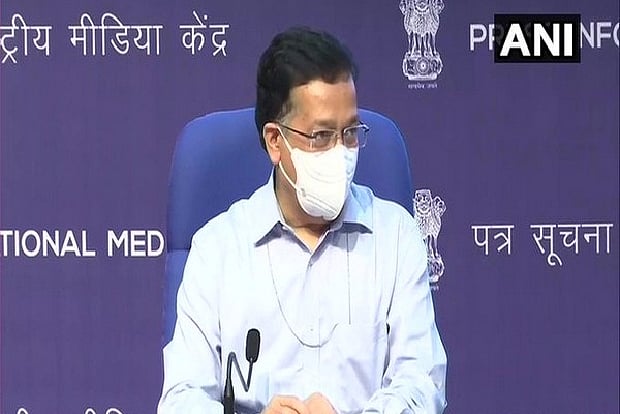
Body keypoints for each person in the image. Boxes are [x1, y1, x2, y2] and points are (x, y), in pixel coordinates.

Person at [158, 27, 447, 414]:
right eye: (321, 136)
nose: (341, 151)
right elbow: (180, 399)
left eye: (350, 133)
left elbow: (422, 384)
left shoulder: (395, 236)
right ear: (275, 141)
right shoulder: (218, 249)